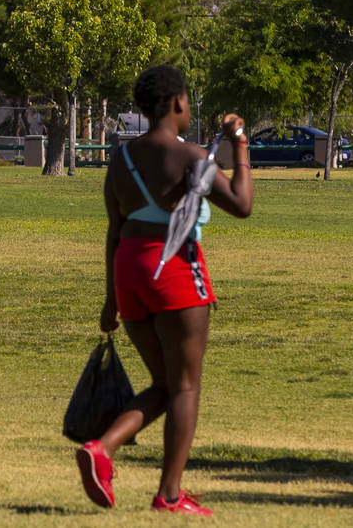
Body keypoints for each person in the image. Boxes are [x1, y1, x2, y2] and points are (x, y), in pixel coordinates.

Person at [76, 64, 253, 516]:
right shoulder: (192, 156)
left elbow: (114, 230)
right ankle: (169, 495)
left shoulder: (121, 159)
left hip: (128, 270)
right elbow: (241, 205)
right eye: (187, 101)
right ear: (177, 103)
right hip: (173, 267)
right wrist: (240, 143)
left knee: (166, 383)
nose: (189, 108)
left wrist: (111, 298)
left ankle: (102, 448)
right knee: (186, 387)